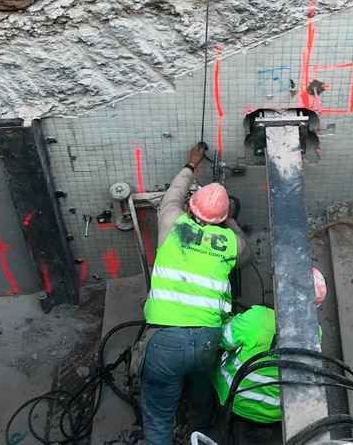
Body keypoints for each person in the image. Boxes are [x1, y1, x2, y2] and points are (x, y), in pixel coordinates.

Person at [140, 143, 250, 445]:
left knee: (159, 412)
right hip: (207, 338)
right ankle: (198, 429)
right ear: (223, 217)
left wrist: (191, 165)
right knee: (202, 381)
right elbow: (246, 251)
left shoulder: (171, 222)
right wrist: (229, 222)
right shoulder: (230, 242)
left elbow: (172, 196)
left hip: (165, 340)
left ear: (191, 208)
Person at [214, 268, 328, 427]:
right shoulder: (315, 332)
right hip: (274, 411)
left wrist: (232, 320)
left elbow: (221, 340)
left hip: (237, 400)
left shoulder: (257, 317)